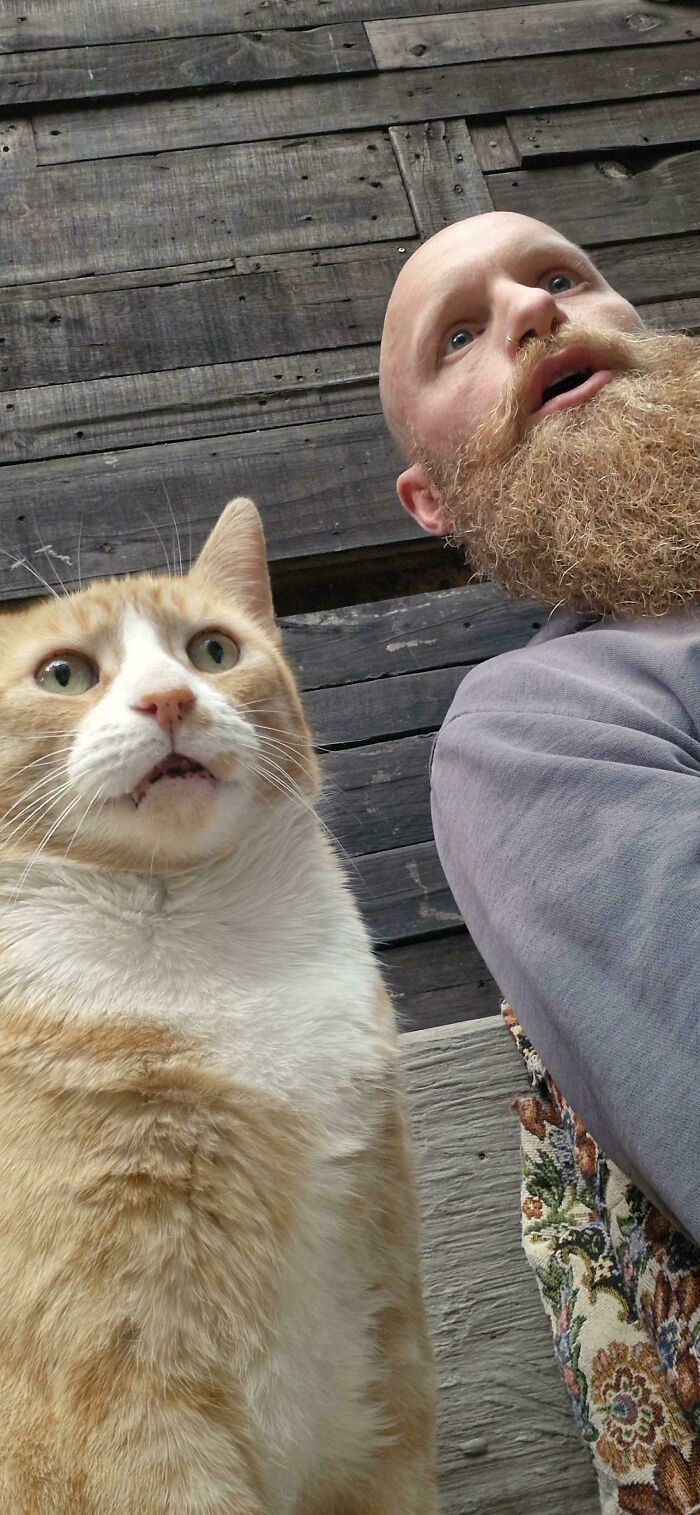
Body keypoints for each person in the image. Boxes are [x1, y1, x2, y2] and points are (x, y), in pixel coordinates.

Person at [380, 211, 700, 1513]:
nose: (529, 308)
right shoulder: (538, 723)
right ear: (434, 500)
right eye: (459, 333)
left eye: (564, 275)